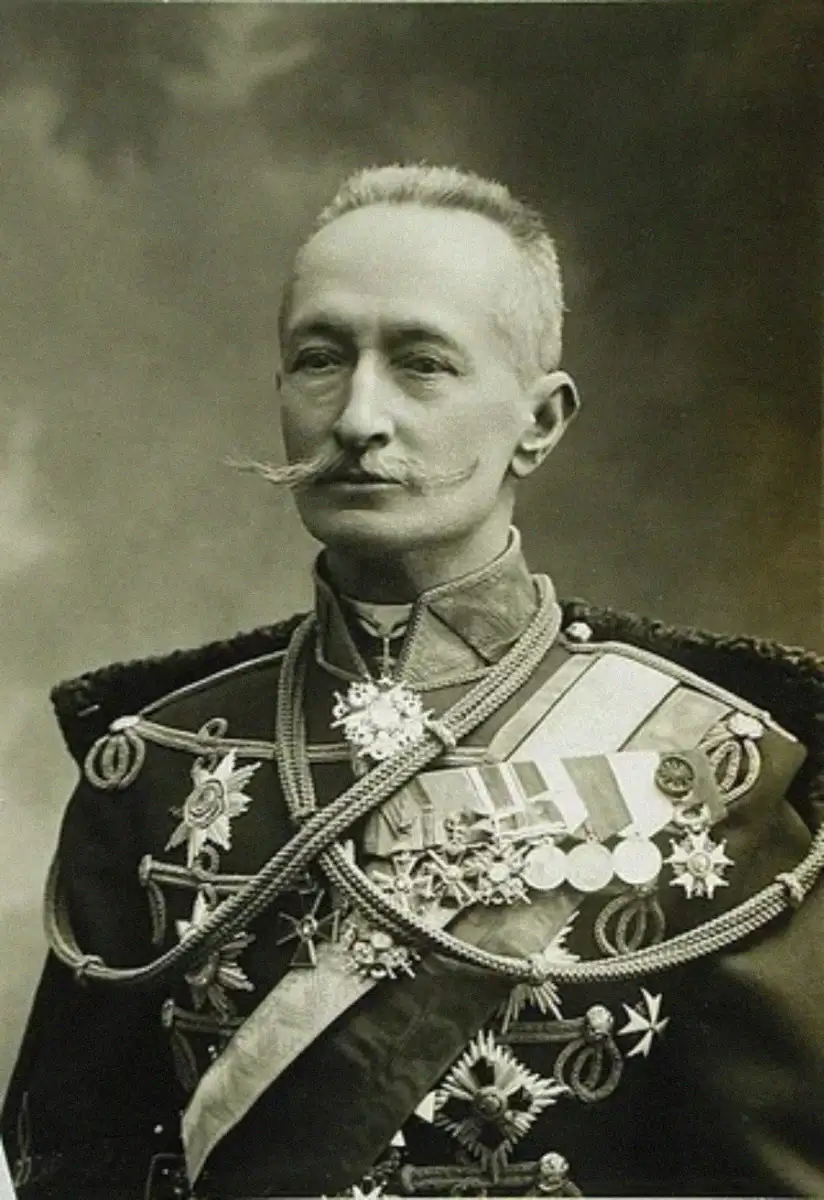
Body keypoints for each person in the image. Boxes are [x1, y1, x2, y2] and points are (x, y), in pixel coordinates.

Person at [2, 164, 823, 1200]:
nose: (356, 416)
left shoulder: (709, 763)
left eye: (422, 364)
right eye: (317, 359)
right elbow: (74, 1167)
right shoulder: (156, 762)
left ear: (540, 421)